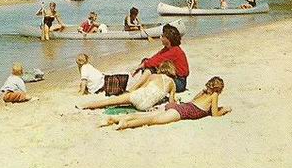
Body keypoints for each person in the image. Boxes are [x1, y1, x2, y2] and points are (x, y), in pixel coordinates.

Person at [101, 76, 231, 130]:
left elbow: (193, 102)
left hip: (181, 107)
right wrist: (224, 109)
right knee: (152, 120)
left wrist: (203, 92)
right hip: (181, 112)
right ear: (218, 89)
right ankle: (126, 124)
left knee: (148, 116)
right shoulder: (214, 95)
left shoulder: (203, 94)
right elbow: (214, 114)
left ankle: (117, 118)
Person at [81, 61, 177, 111]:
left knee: (109, 102)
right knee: (115, 102)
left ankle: (85, 105)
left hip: (137, 97)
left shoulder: (154, 76)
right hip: (146, 106)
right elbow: (171, 101)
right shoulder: (172, 83)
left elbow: (143, 88)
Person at [131, 24, 189, 92]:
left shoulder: (174, 51)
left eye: (162, 36)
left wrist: (138, 67)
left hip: (179, 83)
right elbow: (155, 57)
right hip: (174, 77)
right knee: (146, 61)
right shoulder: (167, 49)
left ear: (168, 39)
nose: (160, 37)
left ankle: (135, 88)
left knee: (150, 67)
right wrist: (141, 65)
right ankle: (139, 87)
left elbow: (153, 62)